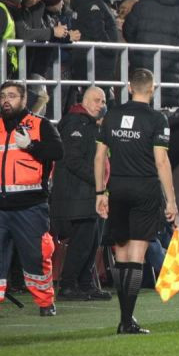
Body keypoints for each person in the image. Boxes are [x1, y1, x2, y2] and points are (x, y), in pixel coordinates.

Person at [93, 69, 176, 334]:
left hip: (117, 187)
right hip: (145, 188)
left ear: (129, 87)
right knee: (136, 256)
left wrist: (99, 193)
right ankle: (127, 320)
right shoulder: (156, 118)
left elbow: (99, 157)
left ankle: (125, 318)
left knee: (122, 254)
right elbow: (161, 161)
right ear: (152, 88)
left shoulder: (112, 115)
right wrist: (171, 200)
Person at [0, 81, 64, 316]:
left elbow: (58, 152)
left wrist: (32, 146)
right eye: (3, 96)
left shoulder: (40, 125)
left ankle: (46, 303)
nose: (6, 100)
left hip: (30, 207)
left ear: (24, 100)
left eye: (12, 96)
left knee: (37, 256)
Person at [50, 86, 110, 301]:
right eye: (97, 100)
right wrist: (98, 182)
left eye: (103, 101)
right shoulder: (75, 123)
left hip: (90, 194)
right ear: (84, 101)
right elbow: (73, 160)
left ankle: (85, 284)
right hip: (77, 193)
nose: (101, 105)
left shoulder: (91, 124)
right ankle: (68, 285)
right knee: (82, 242)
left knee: (93, 241)